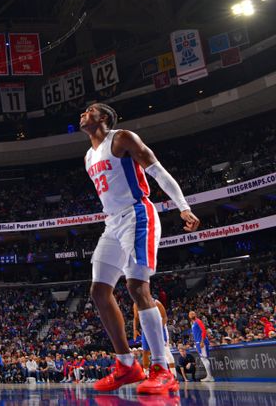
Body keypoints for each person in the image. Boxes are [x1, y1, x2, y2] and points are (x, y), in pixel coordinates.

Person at [81, 103, 200, 394]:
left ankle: (162, 367)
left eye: (90, 110)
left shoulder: (121, 138)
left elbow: (157, 171)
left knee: (137, 287)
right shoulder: (88, 156)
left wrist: (183, 207)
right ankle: (126, 364)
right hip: (113, 223)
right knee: (99, 291)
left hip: (138, 214)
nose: (84, 113)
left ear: (105, 117)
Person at [133, 299, 177, 376]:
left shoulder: (156, 303)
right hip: (146, 329)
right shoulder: (136, 304)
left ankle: (174, 375)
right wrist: (135, 329)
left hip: (159, 328)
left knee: (166, 351)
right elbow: (136, 317)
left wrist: (159, 329)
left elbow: (164, 317)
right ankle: (146, 375)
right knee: (145, 352)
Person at [190, 311, 214, 382]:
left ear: (195, 314)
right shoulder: (193, 323)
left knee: (204, 358)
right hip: (198, 343)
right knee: (203, 359)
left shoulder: (198, 321)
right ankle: (209, 376)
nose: (192, 314)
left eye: (193, 313)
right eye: (190, 314)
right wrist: (196, 345)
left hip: (201, 342)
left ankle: (210, 376)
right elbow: (195, 335)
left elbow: (203, 330)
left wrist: (202, 341)